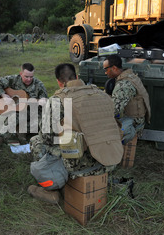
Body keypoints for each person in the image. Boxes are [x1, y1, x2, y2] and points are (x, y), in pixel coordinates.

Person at [28, 63, 123, 204]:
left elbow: (47, 137)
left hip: (79, 166)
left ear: (59, 82)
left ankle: (51, 188)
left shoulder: (57, 100)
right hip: (109, 160)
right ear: (77, 77)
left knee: (36, 141)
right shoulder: (102, 95)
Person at [0, 63, 48, 147]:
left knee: (44, 123)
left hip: (33, 112)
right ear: (21, 74)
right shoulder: (13, 79)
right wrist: (4, 95)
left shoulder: (39, 85)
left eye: (31, 77)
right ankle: (0, 139)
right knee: (15, 115)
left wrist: (42, 102)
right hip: (16, 110)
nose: (29, 79)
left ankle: (20, 131)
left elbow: (44, 100)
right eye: (26, 76)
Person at [103, 54, 151, 144]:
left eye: (106, 69)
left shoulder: (124, 85)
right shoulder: (130, 75)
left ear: (114, 68)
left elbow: (114, 111)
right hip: (135, 118)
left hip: (134, 123)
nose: (105, 72)